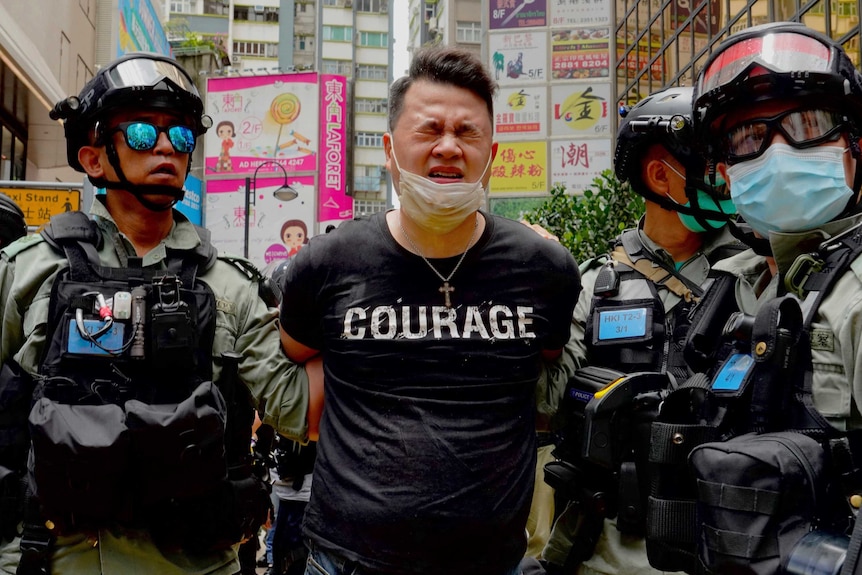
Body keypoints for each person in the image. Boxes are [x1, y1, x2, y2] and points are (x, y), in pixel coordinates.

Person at [0, 52, 314, 575]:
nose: (167, 146)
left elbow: (299, 410)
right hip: (45, 561)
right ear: (94, 158)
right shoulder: (28, 272)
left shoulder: (232, 287)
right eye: (143, 134)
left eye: (182, 136)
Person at [278, 45, 581, 575]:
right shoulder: (326, 263)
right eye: (429, 130)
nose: (448, 147)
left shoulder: (544, 266)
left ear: (493, 153)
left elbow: (548, 359)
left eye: (467, 133)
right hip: (345, 560)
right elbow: (297, 354)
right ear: (390, 150)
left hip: (494, 562)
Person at [639, 21, 862, 574]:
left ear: (855, 144)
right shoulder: (737, 283)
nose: (775, 151)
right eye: (747, 138)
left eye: (807, 125)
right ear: (726, 172)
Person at [539, 87, 742, 575]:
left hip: (733, 545)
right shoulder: (593, 284)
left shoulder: (757, 272)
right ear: (659, 175)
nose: (730, 175)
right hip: (610, 552)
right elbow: (545, 403)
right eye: (714, 162)